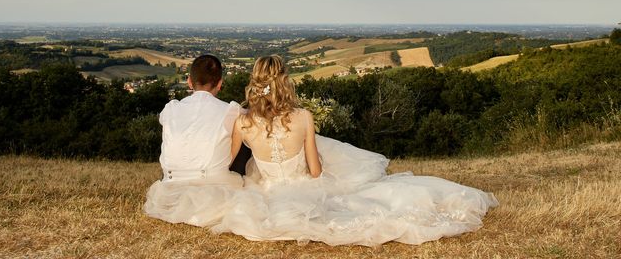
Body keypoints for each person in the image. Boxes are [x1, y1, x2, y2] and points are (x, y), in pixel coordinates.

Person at [210, 55, 498, 246]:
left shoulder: (242, 122)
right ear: (284, 82)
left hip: (265, 194)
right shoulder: (303, 117)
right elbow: (315, 171)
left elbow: (228, 162)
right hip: (304, 189)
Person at [144, 54, 250, 226]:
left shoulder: (170, 109)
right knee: (244, 129)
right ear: (220, 83)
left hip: (170, 188)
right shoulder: (230, 110)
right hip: (213, 184)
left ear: (189, 82)